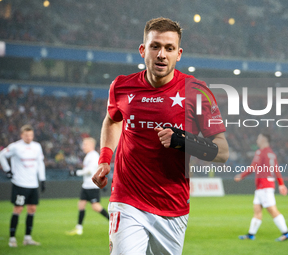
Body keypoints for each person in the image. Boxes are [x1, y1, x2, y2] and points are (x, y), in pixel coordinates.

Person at [91, 17, 229, 254]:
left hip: (172, 204)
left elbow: (223, 152)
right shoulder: (121, 86)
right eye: (155, 46)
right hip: (127, 199)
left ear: (179, 53)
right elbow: (113, 119)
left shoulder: (197, 91)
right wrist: (105, 158)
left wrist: (184, 141)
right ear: (143, 50)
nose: (162, 54)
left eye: (169, 48)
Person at [234, 133, 288, 241]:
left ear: (264, 140)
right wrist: (281, 184)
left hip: (264, 186)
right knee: (257, 210)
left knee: (272, 210)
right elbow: (276, 170)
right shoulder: (271, 153)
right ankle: (251, 234)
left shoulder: (260, 152)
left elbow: (253, 167)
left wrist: (241, 176)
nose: (257, 140)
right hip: (265, 186)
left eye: (258, 138)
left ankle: (286, 233)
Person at [0, 124, 46, 247]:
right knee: (18, 209)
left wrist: (42, 180)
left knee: (32, 209)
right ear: (21, 135)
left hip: (33, 184)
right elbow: (1, 155)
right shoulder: (15, 146)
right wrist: (7, 170)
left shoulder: (37, 146)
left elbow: (40, 163)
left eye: (30, 135)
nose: (29, 137)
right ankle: (12, 239)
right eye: (26, 135)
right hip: (20, 183)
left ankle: (27, 238)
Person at [66, 137, 109, 235]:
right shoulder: (89, 156)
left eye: (85, 144)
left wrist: (75, 173)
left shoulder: (93, 155)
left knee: (96, 207)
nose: (83, 146)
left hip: (92, 186)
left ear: (91, 145)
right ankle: (79, 228)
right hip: (86, 185)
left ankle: (113, 222)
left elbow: (90, 171)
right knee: (81, 205)